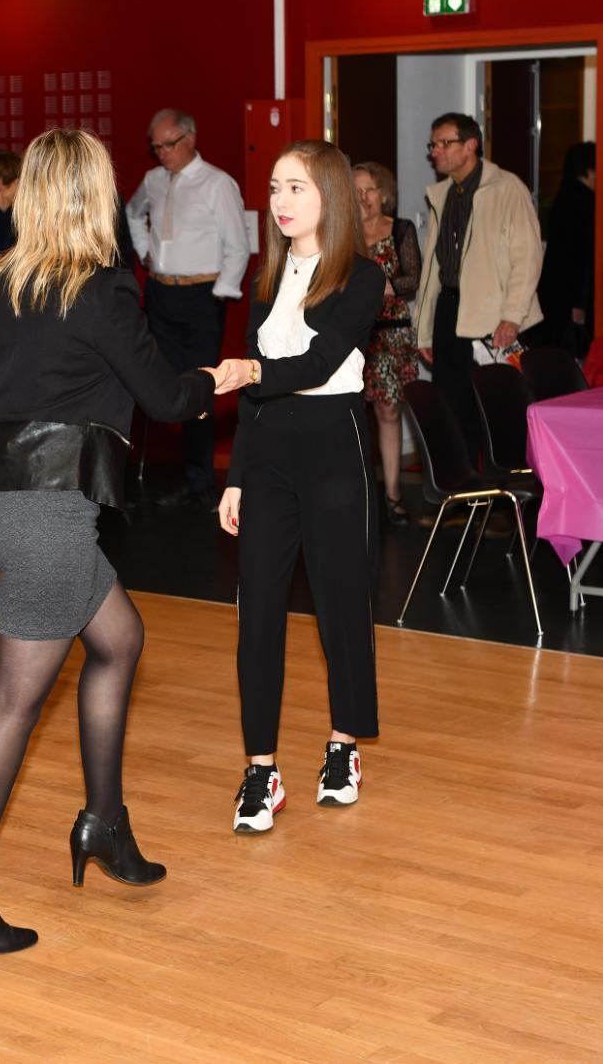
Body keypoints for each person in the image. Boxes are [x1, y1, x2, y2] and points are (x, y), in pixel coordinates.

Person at [0, 127, 234, 955]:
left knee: (120, 639)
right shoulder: (102, 292)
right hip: (49, 517)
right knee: (10, 706)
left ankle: (103, 823)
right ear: (95, 198)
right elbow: (167, 399)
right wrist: (221, 377)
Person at [218, 141, 385, 833]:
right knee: (257, 609)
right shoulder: (266, 276)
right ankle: (261, 767)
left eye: (297, 188)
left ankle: (344, 745)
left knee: (341, 603)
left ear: (330, 196)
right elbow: (254, 388)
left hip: (334, 444)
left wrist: (252, 373)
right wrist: (235, 478)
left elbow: (318, 363)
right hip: (269, 451)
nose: (281, 202)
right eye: (275, 188)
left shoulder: (363, 278)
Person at [124, 107, 249, 509]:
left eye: (168, 144)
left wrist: (220, 292)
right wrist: (145, 252)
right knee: (156, 384)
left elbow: (238, 244)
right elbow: (131, 214)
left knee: (199, 389)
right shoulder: (153, 180)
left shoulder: (217, 183)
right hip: (160, 294)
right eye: (156, 147)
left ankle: (201, 485)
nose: (162, 153)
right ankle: (152, 477)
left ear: (190, 139)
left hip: (201, 298)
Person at [413, 112, 542, 466]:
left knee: (496, 409)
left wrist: (512, 316)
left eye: (444, 143)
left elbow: (527, 258)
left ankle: (505, 487)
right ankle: (464, 487)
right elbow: (434, 269)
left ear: (471, 145)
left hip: (492, 317)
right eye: (433, 145)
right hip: (449, 312)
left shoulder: (507, 188)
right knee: (453, 408)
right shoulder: (442, 194)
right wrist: (424, 328)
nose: (435, 152)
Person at [352, 160, 421, 523]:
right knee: (349, 417)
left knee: (389, 412)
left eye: (369, 189)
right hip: (351, 335)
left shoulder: (401, 229)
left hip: (391, 333)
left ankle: (393, 496)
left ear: (384, 194)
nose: (363, 197)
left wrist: (378, 287)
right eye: (356, 191)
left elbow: (413, 278)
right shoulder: (342, 234)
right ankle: (357, 497)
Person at [532, 141, 597, 358]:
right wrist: (580, 302)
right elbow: (581, 258)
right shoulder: (585, 203)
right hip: (571, 295)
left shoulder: (563, 197)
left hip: (555, 291)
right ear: (589, 171)